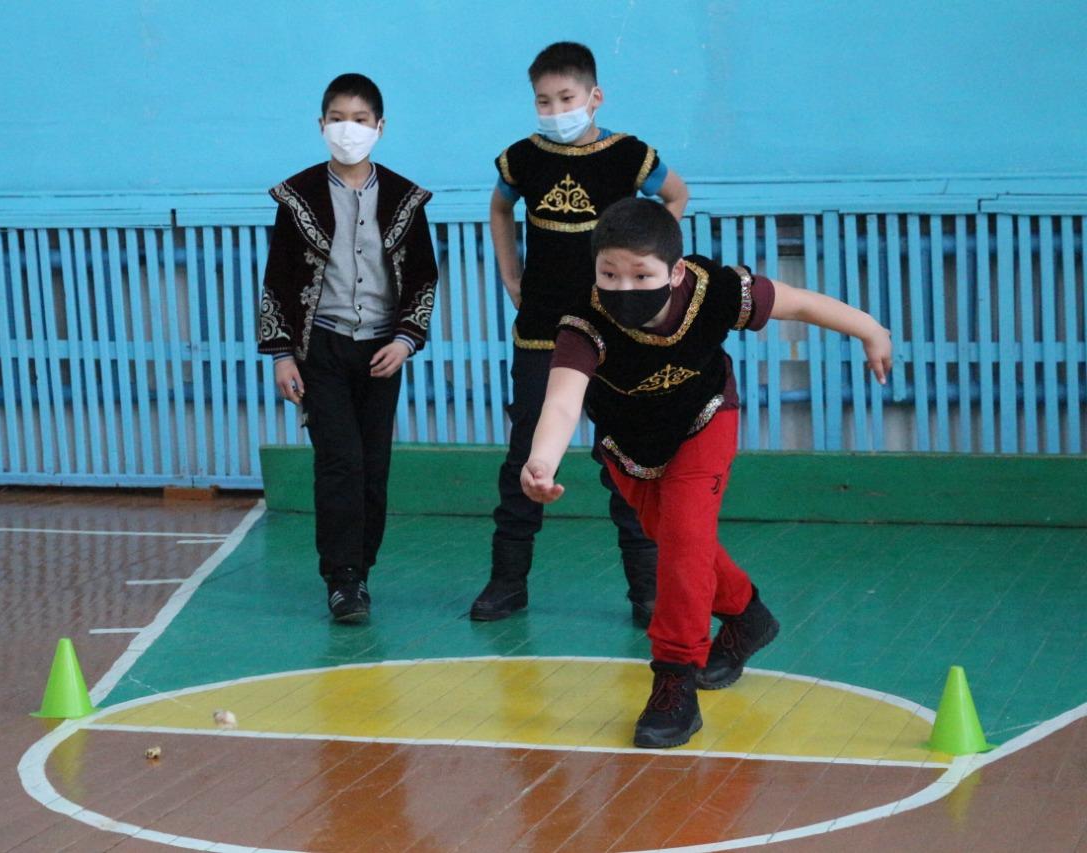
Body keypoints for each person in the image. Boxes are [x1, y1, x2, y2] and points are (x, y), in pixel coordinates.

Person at [521, 197, 892, 748]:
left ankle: (675, 679)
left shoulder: (716, 290)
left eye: (641, 275)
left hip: (705, 420)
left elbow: (798, 303)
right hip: (629, 444)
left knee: (684, 542)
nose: (623, 287)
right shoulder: (584, 321)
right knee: (675, 538)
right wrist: (541, 461)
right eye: (609, 274)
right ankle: (747, 615)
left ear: (673, 273)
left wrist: (871, 329)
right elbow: (560, 403)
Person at [471, 41, 691, 627]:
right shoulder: (522, 158)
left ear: (595, 97)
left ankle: (647, 590)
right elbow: (498, 209)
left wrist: (645, 263)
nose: (555, 110)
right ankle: (507, 582)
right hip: (542, 331)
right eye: (543, 101)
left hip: (618, 332)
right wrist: (510, 273)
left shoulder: (631, 156)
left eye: (566, 98)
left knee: (627, 458)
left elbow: (676, 195)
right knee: (526, 454)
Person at [257, 73, 439, 623]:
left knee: (373, 466)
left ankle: (362, 570)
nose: (348, 129)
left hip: (383, 353)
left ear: (380, 127)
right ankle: (342, 580)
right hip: (322, 350)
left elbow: (423, 278)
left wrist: (406, 341)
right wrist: (282, 354)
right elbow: (278, 281)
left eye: (360, 120)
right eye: (338, 119)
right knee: (340, 462)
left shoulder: (406, 198)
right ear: (321, 125)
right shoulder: (297, 198)